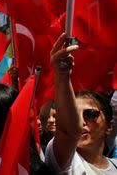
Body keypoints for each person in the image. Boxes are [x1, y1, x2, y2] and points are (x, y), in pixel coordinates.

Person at [45, 33, 117, 173]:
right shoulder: (66, 163)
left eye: (90, 114)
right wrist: (61, 75)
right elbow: (68, 131)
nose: (80, 122)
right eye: (74, 115)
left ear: (109, 127)